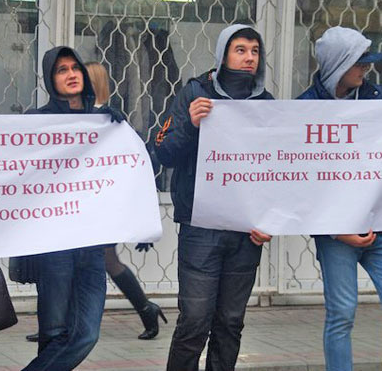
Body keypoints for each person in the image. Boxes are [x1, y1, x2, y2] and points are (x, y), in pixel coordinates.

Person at [154, 24, 273, 371]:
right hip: (201, 227)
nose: (249, 57)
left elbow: (275, 170)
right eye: (240, 49)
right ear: (223, 54)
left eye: (254, 50)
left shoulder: (265, 103)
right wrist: (190, 124)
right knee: (194, 322)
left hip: (246, 233)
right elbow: (164, 153)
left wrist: (269, 220)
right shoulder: (195, 92)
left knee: (230, 324)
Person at [22, 47, 123, 371]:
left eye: (75, 67)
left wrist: (117, 129)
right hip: (54, 245)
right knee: (54, 334)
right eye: (61, 70)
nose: (71, 74)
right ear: (51, 80)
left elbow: (125, 170)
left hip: (92, 246)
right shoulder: (36, 121)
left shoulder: (104, 120)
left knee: (86, 334)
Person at [297, 26, 382, 371]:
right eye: (359, 62)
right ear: (338, 63)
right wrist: (334, 229)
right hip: (336, 233)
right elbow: (300, 178)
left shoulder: (376, 99)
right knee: (342, 313)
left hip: (378, 225)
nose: (366, 69)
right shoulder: (303, 109)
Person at [86, 61, 168, 340]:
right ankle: (146, 309)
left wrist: (139, 215)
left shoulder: (110, 121)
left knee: (106, 260)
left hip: (101, 204)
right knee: (101, 260)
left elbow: (133, 165)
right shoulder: (84, 119)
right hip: (89, 204)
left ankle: (146, 309)